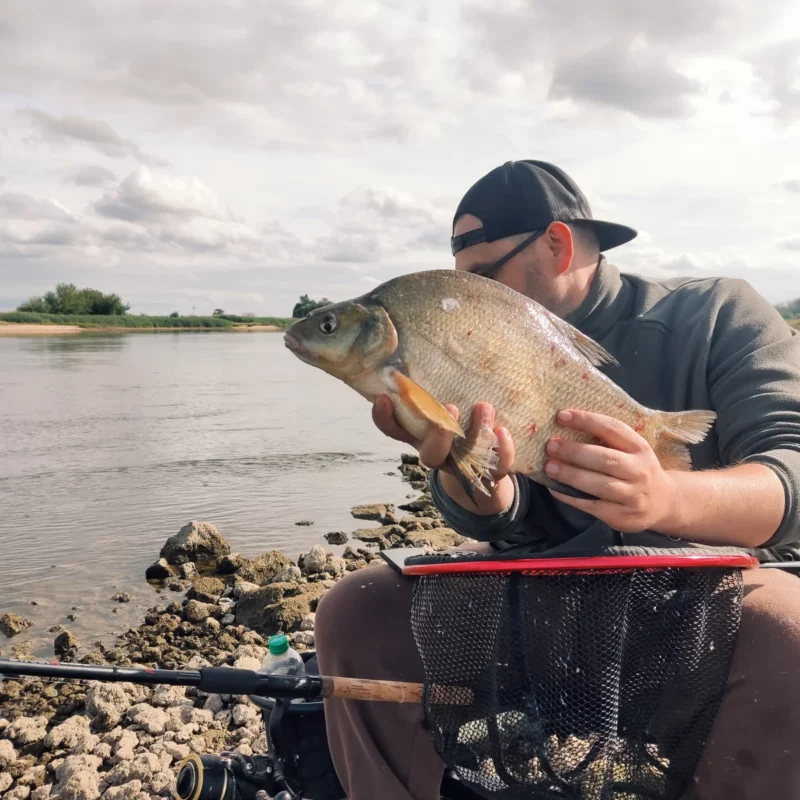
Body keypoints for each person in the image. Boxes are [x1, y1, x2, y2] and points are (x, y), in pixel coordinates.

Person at [315, 160, 800, 799]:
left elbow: (789, 476)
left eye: (486, 276)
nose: (471, 298)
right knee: (356, 612)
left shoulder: (718, 313)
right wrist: (477, 487)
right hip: (541, 598)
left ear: (558, 243)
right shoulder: (470, 341)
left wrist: (664, 497)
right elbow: (505, 518)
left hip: (706, 607)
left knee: (793, 634)